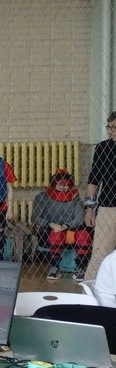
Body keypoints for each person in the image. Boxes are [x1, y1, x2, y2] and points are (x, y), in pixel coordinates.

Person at [31, 169, 91, 281]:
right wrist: (51, 224)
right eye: (60, 184)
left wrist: (66, 226)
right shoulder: (42, 197)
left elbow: (79, 218)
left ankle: (81, 268)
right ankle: (55, 267)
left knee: (84, 235)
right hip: (51, 229)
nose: (63, 187)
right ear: (54, 184)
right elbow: (35, 217)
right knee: (56, 234)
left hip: (70, 229)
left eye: (66, 185)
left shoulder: (74, 197)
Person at [85, 113, 116, 272]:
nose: (111, 131)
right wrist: (89, 208)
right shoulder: (103, 147)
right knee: (100, 254)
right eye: (109, 127)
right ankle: (91, 287)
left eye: (114, 127)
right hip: (108, 205)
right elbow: (94, 179)